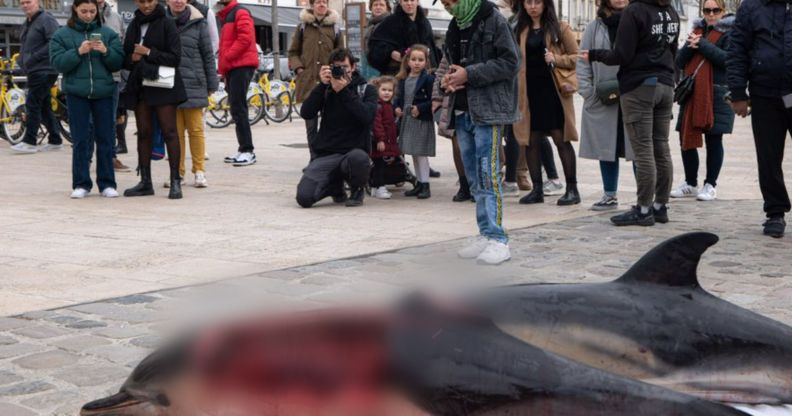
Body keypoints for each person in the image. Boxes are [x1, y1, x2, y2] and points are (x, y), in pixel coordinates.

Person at [582, 0, 680, 226]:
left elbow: (622, 55)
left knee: (643, 150)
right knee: (661, 147)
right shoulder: (670, 11)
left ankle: (643, 209)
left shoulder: (635, 11)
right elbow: (673, 51)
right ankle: (660, 206)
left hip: (639, 86)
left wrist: (594, 54)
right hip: (665, 84)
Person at [440, 0, 520, 265]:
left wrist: (469, 74)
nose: (449, 6)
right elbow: (451, 63)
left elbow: (510, 63)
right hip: (462, 110)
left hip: (488, 110)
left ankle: (498, 239)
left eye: (451, 1)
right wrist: (448, 79)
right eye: (444, 3)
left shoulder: (494, 20)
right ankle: (485, 232)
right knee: (474, 178)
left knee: (488, 176)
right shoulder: (455, 25)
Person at [727, 0, 792, 238]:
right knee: (768, 157)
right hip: (765, 93)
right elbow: (737, 50)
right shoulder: (751, 7)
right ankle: (775, 212)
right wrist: (737, 92)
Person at [50, 0, 123, 198]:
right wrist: (78, 52)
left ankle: (107, 184)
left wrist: (106, 51)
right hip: (77, 93)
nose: (89, 15)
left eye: (92, 11)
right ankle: (81, 184)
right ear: (75, 9)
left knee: (106, 138)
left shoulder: (108, 33)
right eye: (84, 11)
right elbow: (57, 63)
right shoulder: (62, 34)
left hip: (104, 92)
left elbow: (118, 63)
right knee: (80, 139)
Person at [513, 0, 580, 206]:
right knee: (531, 140)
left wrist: (556, 59)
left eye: (537, 2)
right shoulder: (519, 30)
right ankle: (537, 190)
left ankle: (572, 189)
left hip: (553, 92)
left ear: (545, 4)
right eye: (528, 2)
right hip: (529, 93)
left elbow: (577, 57)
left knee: (561, 139)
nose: (533, 6)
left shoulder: (560, 28)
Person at [121, 0, 187, 199]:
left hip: (163, 85)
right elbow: (126, 56)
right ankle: (145, 181)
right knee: (143, 133)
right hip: (141, 84)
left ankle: (175, 181)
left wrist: (148, 52)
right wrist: (132, 58)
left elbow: (175, 58)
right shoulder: (134, 24)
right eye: (141, 1)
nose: (146, 5)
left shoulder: (167, 23)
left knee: (170, 132)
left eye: (149, 1)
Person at [296, 48, 377, 208]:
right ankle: (334, 188)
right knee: (304, 198)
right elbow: (306, 113)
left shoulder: (366, 90)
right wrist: (322, 85)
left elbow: (367, 117)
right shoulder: (326, 89)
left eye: (345, 67)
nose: (341, 71)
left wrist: (343, 91)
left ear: (353, 67)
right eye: (336, 67)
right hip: (327, 154)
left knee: (359, 159)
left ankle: (357, 190)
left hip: (353, 153)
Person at [671, 1, 734, 202]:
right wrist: (690, 48)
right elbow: (679, 62)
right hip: (692, 92)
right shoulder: (696, 31)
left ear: (723, 11)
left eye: (716, 10)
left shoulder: (731, 33)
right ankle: (690, 183)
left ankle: (710, 185)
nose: (711, 14)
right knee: (685, 136)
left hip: (717, 92)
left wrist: (703, 45)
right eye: (707, 10)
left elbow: (728, 60)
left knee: (714, 139)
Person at [577, 0, 633, 211]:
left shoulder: (637, 21)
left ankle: (645, 196)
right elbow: (583, 61)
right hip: (602, 97)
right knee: (606, 146)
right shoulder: (594, 27)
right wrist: (588, 93)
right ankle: (609, 194)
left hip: (633, 93)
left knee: (638, 146)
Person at [166, 0, 218, 189]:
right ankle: (177, 173)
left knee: (196, 130)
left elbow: (208, 54)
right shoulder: (161, 21)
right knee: (175, 133)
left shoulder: (199, 21)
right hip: (169, 84)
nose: (178, 1)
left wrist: (212, 83)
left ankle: (199, 171)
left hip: (194, 83)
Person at [288, 0, 342, 159]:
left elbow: (341, 55)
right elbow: (293, 52)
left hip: (329, 83)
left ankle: (326, 158)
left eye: (324, 2)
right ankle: (314, 158)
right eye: (318, 2)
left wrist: (335, 72)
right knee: (310, 125)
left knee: (329, 123)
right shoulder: (302, 27)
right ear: (312, 5)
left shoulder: (335, 28)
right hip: (308, 83)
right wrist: (299, 69)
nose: (321, 4)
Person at [12, 0, 62, 154]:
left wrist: (34, 57)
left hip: (45, 69)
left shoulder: (47, 19)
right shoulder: (27, 23)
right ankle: (55, 140)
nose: (25, 5)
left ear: (38, 2)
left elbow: (54, 42)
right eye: (22, 3)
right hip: (34, 70)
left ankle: (30, 141)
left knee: (32, 103)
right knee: (44, 105)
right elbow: (26, 48)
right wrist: (22, 62)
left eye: (28, 2)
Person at [216, 0, 259, 167]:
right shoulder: (227, 15)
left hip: (241, 65)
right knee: (236, 108)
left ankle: (248, 150)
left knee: (239, 108)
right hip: (233, 67)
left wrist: (227, 56)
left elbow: (245, 39)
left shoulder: (240, 12)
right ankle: (243, 149)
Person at [395, 45, 436, 199]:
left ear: (426, 62)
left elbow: (434, 100)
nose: (417, 63)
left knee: (421, 153)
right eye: (413, 59)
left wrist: (420, 108)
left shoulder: (428, 79)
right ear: (407, 61)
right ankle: (419, 183)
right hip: (407, 119)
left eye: (421, 60)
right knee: (413, 152)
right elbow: (398, 97)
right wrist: (396, 107)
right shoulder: (403, 79)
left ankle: (425, 184)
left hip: (420, 120)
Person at [95, 0, 130, 172]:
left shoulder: (116, 18)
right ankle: (86, 159)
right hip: (87, 78)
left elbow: (123, 49)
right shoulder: (79, 16)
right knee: (88, 123)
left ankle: (110, 158)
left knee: (109, 120)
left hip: (112, 77)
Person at [432, 54, 471, 202]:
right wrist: (437, 97)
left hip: (479, 103)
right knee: (458, 146)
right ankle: (464, 185)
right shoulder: (451, 47)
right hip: (455, 100)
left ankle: (480, 185)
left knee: (480, 147)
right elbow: (440, 73)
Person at [367, 0, 439, 77]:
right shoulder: (390, 22)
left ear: (417, 2)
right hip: (397, 73)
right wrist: (391, 53)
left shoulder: (425, 23)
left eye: (412, 0)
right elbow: (376, 46)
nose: (409, 3)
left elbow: (432, 48)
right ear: (401, 2)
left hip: (423, 74)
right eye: (405, 0)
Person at [370, 76, 400, 199]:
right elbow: (377, 125)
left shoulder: (387, 105)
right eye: (383, 90)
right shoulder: (378, 106)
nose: (387, 93)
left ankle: (374, 187)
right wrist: (380, 139)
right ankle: (380, 187)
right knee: (380, 165)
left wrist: (396, 114)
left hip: (386, 141)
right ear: (377, 90)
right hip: (380, 142)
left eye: (390, 90)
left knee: (380, 164)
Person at [360, 0, 392, 80]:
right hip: (369, 67)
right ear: (371, 8)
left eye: (381, 5)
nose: (378, 7)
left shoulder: (391, 23)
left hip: (385, 69)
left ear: (387, 8)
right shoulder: (369, 25)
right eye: (375, 5)